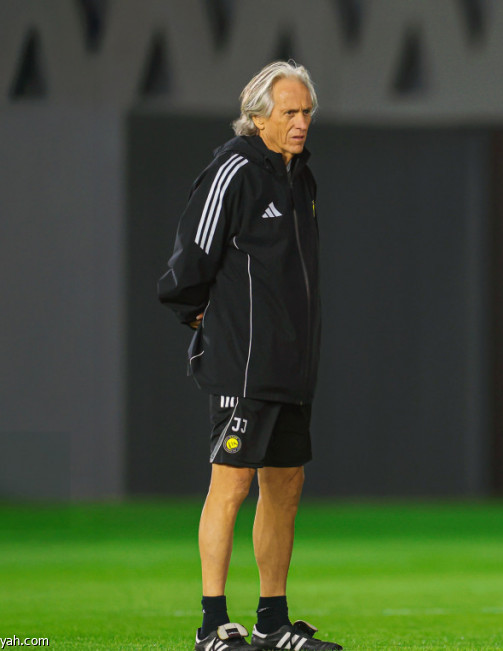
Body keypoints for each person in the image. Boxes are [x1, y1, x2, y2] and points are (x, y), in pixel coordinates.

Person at [159, 60, 342, 651]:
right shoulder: (233, 170)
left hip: (291, 365)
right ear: (258, 117)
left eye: (307, 112)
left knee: (285, 486)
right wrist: (197, 314)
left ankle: (272, 622)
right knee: (231, 485)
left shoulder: (300, 179)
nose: (301, 122)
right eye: (289, 112)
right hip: (242, 362)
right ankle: (212, 624)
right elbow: (190, 261)